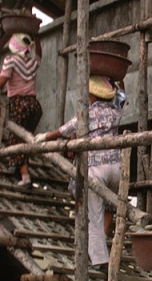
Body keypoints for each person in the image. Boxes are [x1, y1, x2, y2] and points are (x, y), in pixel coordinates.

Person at [37, 75, 125, 270]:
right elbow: (122, 94)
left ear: (92, 95)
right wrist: (116, 79)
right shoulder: (116, 110)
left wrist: (44, 136)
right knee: (109, 207)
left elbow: (66, 129)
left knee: (94, 214)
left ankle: (100, 259)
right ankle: (102, 245)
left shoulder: (87, 112)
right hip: (116, 169)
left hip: (96, 168)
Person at [0, 32, 42, 186]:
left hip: (19, 105)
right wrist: (36, 37)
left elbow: (3, 79)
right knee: (25, 138)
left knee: (17, 139)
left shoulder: (10, 61)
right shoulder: (32, 63)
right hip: (34, 106)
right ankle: (17, 168)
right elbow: (39, 55)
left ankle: (25, 177)